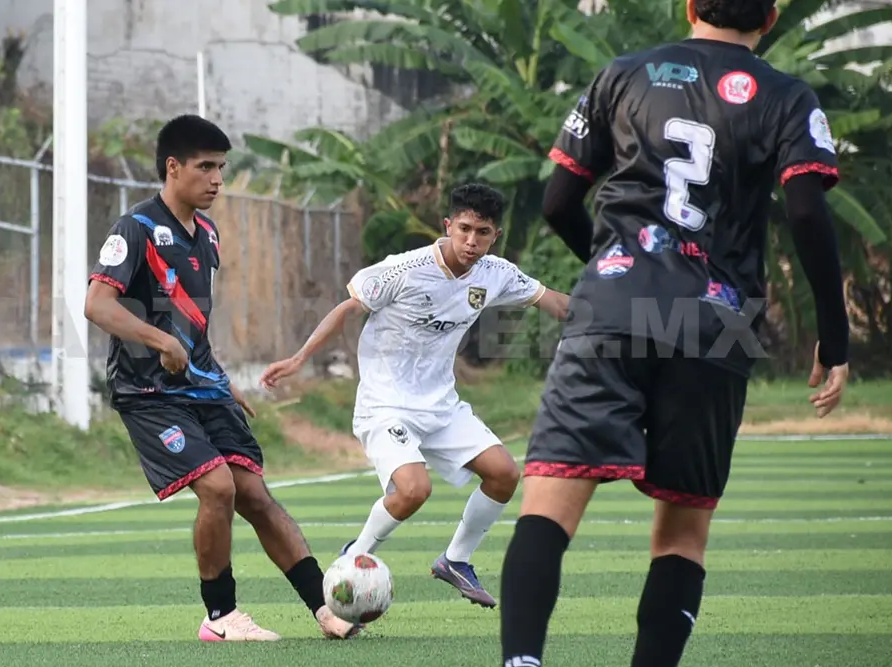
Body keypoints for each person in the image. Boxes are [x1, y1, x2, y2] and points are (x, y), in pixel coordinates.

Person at [499, 1, 851, 665]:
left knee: (547, 505)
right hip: (717, 323)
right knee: (681, 535)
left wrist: (609, 273)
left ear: (690, 6)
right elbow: (807, 212)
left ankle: (521, 661)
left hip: (611, 309)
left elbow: (556, 201)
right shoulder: (786, 96)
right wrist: (834, 338)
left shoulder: (623, 73)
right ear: (770, 18)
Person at [84, 114, 360, 642]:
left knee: (254, 494)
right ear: (173, 167)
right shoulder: (135, 228)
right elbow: (97, 305)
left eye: (221, 169)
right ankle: (220, 617)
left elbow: (192, 324)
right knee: (218, 487)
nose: (217, 179)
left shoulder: (207, 233)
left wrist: (218, 377)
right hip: (148, 392)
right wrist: (160, 342)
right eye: (205, 167)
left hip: (201, 385)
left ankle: (326, 610)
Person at [260, 183, 570, 609]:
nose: (471, 241)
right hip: (385, 404)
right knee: (413, 490)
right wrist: (299, 359)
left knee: (504, 474)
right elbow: (348, 308)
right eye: (464, 229)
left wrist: (617, 310)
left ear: (495, 235)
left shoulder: (496, 273)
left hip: (441, 405)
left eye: (482, 232)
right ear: (448, 225)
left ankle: (455, 561)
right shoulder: (404, 269)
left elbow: (558, 305)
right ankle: (352, 560)